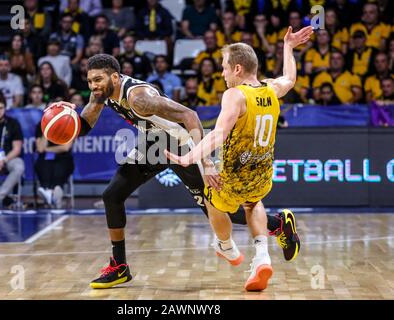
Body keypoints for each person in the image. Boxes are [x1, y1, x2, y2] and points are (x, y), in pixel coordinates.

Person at [55, 53, 300, 289]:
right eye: (89, 81)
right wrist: (67, 117)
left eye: (98, 80)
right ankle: (119, 266)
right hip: (155, 143)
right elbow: (83, 125)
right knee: (112, 195)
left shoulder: (139, 97)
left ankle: (278, 224)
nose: (93, 86)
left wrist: (205, 162)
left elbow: (189, 115)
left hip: (183, 144)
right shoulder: (102, 94)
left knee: (219, 209)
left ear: (115, 78)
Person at [165, 26, 313, 291]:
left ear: (237, 69)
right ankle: (262, 257)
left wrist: (190, 157)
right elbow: (289, 79)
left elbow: (219, 134)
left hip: (234, 174)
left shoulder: (235, 94)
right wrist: (288, 48)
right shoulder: (270, 89)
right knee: (252, 203)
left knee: (212, 198)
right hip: (263, 172)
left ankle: (225, 246)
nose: (222, 73)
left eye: (224, 67)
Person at [35, 123, 74, 209]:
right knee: (41, 164)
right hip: (46, 158)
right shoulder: (41, 125)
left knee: (60, 167)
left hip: (64, 157)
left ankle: (52, 193)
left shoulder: (69, 123)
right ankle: (49, 193)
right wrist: (46, 129)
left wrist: (48, 149)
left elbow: (65, 147)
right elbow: (40, 148)